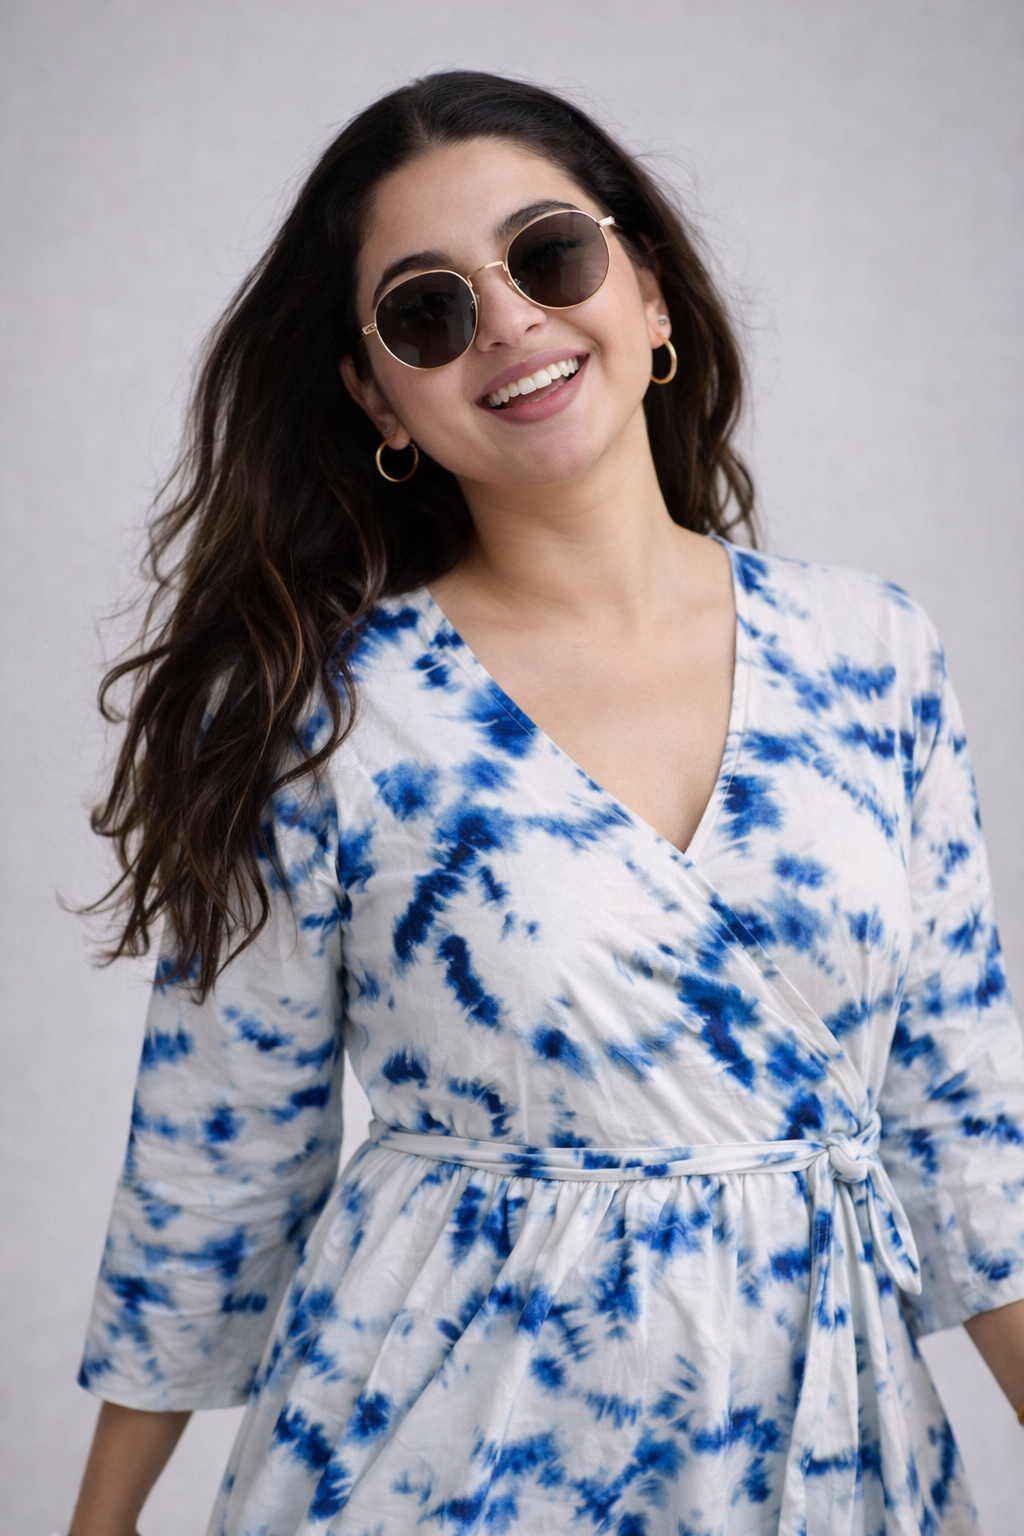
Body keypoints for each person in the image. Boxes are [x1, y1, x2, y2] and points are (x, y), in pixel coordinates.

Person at [67, 70, 1024, 1536]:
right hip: (438, 1457)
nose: (508, 321)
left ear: (647, 291)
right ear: (376, 394)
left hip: (819, 1454)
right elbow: (218, 1156)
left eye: (550, 255)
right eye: (428, 311)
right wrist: (100, 1522)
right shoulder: (318, 715)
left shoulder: (873, 653)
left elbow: (963, 1129)